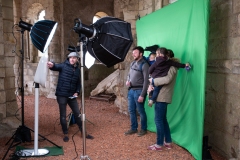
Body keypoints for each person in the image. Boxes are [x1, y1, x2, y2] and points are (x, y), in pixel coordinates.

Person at [47, 52, 94, 142]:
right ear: (68, 58)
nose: (72, 59)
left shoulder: (77, 70)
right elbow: (55, 67)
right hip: (62, 95)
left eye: (74, 58)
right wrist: (52, 65)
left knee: (78, 114)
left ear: (77, 59)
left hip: (72, 96)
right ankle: (65, 133)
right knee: (63, 115)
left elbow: (78, 83)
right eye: (71, 58)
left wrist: (77, 91)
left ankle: (84, 132)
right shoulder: (63, 66)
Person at [147, 52, 181, 151]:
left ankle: (159, 144)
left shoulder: (172, 67)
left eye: (161, 55)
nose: (159, 58)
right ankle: (168, 142)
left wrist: (153, 81)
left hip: (163, 96)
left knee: (158, 120)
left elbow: (167, 79)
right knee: (163, 120)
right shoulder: (168, 66)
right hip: (161, 96)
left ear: (167, 57)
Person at [125, 46, 149, 137]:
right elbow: (129, 74)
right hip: (131, 90)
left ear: (141, 54)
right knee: (131, 110)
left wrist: (142, 95)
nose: (133, 54)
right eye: (133, 53)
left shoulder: (144, 65)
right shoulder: (132, 63)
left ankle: (143, 129)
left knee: (140, 111)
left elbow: (146, 81)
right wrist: (128, 80)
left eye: (135, 53)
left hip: (139, 91)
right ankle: (133, 128)